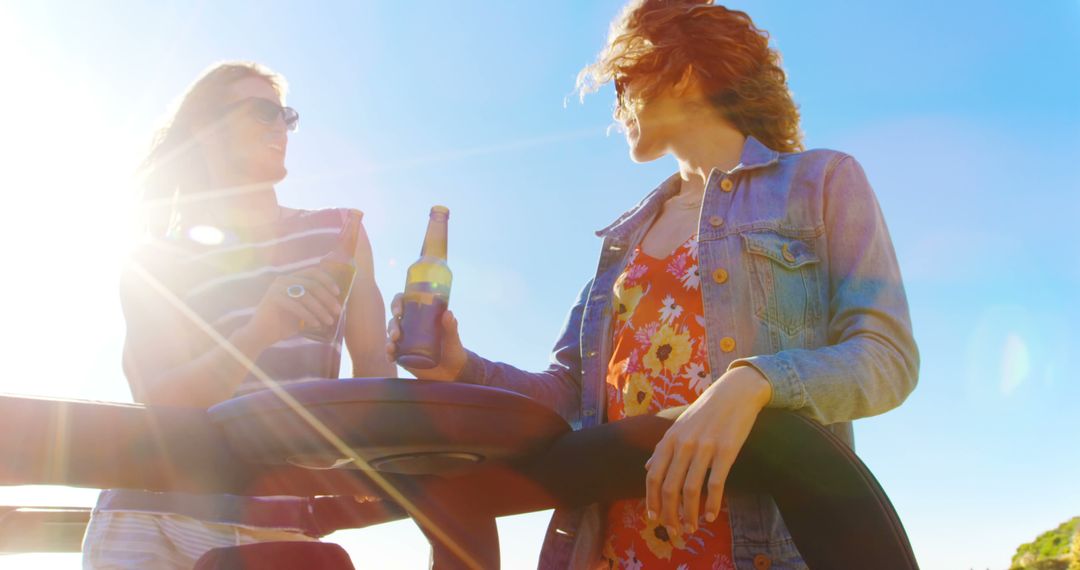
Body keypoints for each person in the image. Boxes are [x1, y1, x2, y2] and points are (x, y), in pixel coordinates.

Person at [387, 1, 919, 568]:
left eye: (622, 84)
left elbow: (886, 358)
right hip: (612, 551)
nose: (617, 111)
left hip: (760, 550)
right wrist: (460, 369)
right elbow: (568, 395)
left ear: (681, 71)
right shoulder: (622, 240)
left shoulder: (822, 182)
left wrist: (753, 382)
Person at [82, 61, 394, 569]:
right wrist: (259, 331)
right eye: (262, 112)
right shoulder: (152, 259)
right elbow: (158, 399)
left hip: (280, 518)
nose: (280, 127)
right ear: (206, 130)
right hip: (153, 515)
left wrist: (375, 462)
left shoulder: (342, 235)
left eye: (286, 116)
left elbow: (375, 372)